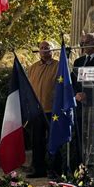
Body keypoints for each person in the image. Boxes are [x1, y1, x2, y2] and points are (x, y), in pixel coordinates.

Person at [71, 33, 94, 166]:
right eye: (81, 43)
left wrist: (89, 95)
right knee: (80, 134)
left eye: (85, 43)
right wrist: (77, 94)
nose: (82, 46)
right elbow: (74, 82)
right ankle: (81, 164)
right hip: (81, 106)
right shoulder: (78, 62)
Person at [27, 41, 61, 179]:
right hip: (36, 110)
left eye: (47, 48)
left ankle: (55, 170)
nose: (44, 50)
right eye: (41, 48)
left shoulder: (58, 66)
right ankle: (39, 169)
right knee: (37, 142)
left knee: (54, 141)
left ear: (53, 50)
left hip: (52, 110)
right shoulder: (33, 67)